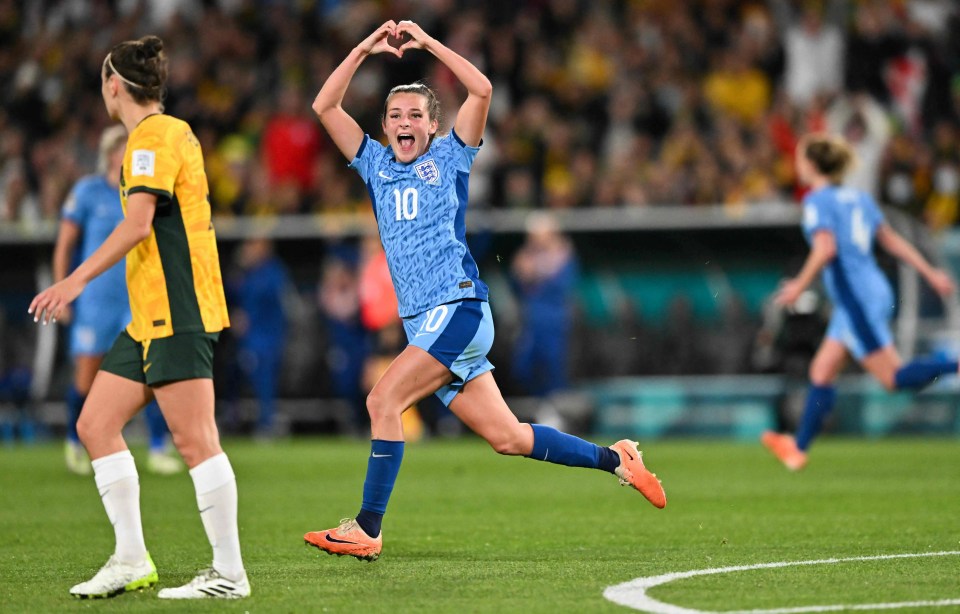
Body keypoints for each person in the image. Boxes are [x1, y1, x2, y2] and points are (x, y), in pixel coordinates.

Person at [303, 20, 666, 563]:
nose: (405, 123)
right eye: (395, 116)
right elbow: (325, 108)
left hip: (456, 308)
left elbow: (482, 89)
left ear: (431, 126)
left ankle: (367, 528)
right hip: (427, 321)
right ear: (383, 128)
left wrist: (427, 45)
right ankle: (617, 460)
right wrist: (360, 50)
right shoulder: (376, 165)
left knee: (383, 399)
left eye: (415, 116)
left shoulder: (449, 156)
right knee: (509, 438)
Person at [29, 36, 249, 599]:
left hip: (178, 310)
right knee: (95, 425)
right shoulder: (162, 134)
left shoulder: (151, 138)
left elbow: (138, 224)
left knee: (194, 439)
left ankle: (229, 574)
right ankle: (130, 559)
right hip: (149, 317)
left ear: (113, 85)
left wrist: (74, 280)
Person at [762, 133, 958, 471]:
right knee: (821, 370)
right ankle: (798, 448)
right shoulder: (859, 198)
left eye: (799, 159)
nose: (797, 166)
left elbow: (826, 249)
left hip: (856, 298)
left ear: (811, 164)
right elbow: (891, 241)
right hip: (867, 290)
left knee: (893, 379)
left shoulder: (817, 201)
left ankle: (954, 363)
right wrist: (930, 272)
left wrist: (798, 285)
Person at [53, 125, 182, 476]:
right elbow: (65, 244)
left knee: (152, 369)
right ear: (110, 153)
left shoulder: (145, 192)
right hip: (97, 299)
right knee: (86, 375)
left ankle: (157, 446)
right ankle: (74, 441)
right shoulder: (89, 191)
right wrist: (63, 288)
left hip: (137, 295)